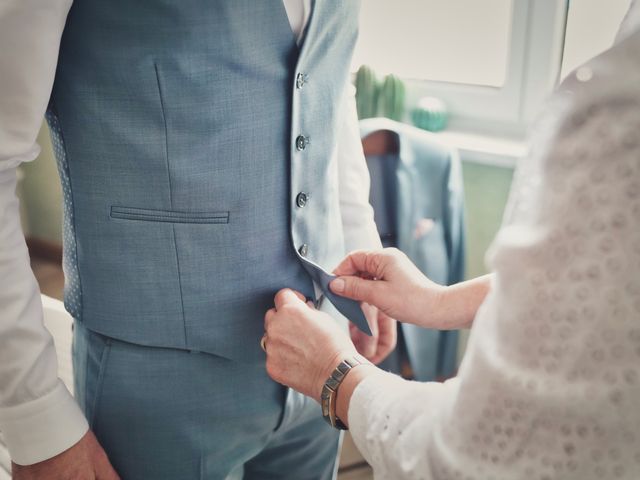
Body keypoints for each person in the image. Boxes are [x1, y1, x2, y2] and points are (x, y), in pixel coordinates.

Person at [0, 1, 396, 479]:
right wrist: (35, 420)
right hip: (158, 386)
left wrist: (357, 247)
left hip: (322, 357)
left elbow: (329, 80)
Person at [263, 3, 640, 479]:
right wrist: (441, 302)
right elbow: (606, 296)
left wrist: (335, 376)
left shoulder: (622, 118)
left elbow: (481, 459)